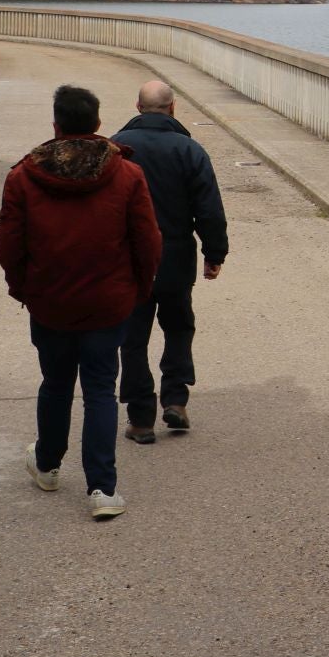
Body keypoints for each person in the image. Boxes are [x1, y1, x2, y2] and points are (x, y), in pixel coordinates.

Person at [0, 84, 161, 520]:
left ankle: (48, 465)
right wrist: (139, 290)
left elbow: (9, 246)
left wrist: (23, 289)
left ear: (56, 125)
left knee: (55, 384)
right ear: (97, 124)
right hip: (108, 305)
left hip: (50, 302)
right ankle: (102, 491)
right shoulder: (127, 175)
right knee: (100, 390)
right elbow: (148, 242)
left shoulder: (22, 177)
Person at [112, 79, 229, 444]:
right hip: (176, 256)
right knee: (178, 326)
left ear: (137, 106)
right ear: (173, 108)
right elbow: (209, 208)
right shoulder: (189, 149)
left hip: (131, 260)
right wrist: (215, 253)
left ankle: (141, 418)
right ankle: (175, 398)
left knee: (133, 338)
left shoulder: (117, 149)